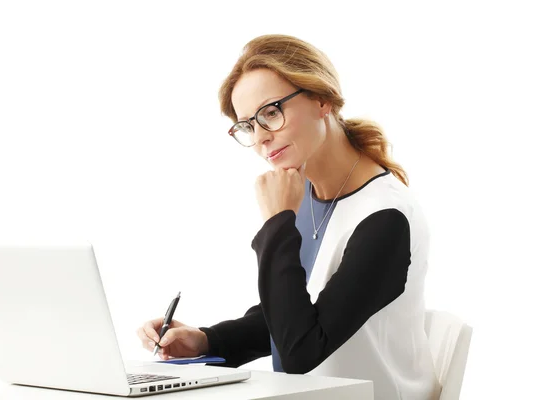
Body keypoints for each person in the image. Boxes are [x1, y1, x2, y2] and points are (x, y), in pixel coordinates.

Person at [138, 34, 441, 400]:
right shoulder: (309, 195)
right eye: (248, 125)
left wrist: (277, 222)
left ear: (322, 99)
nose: (261, 138)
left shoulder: (386, 218)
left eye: (271, 112)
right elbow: (289, 314)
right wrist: (207, 339)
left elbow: (301, 350)